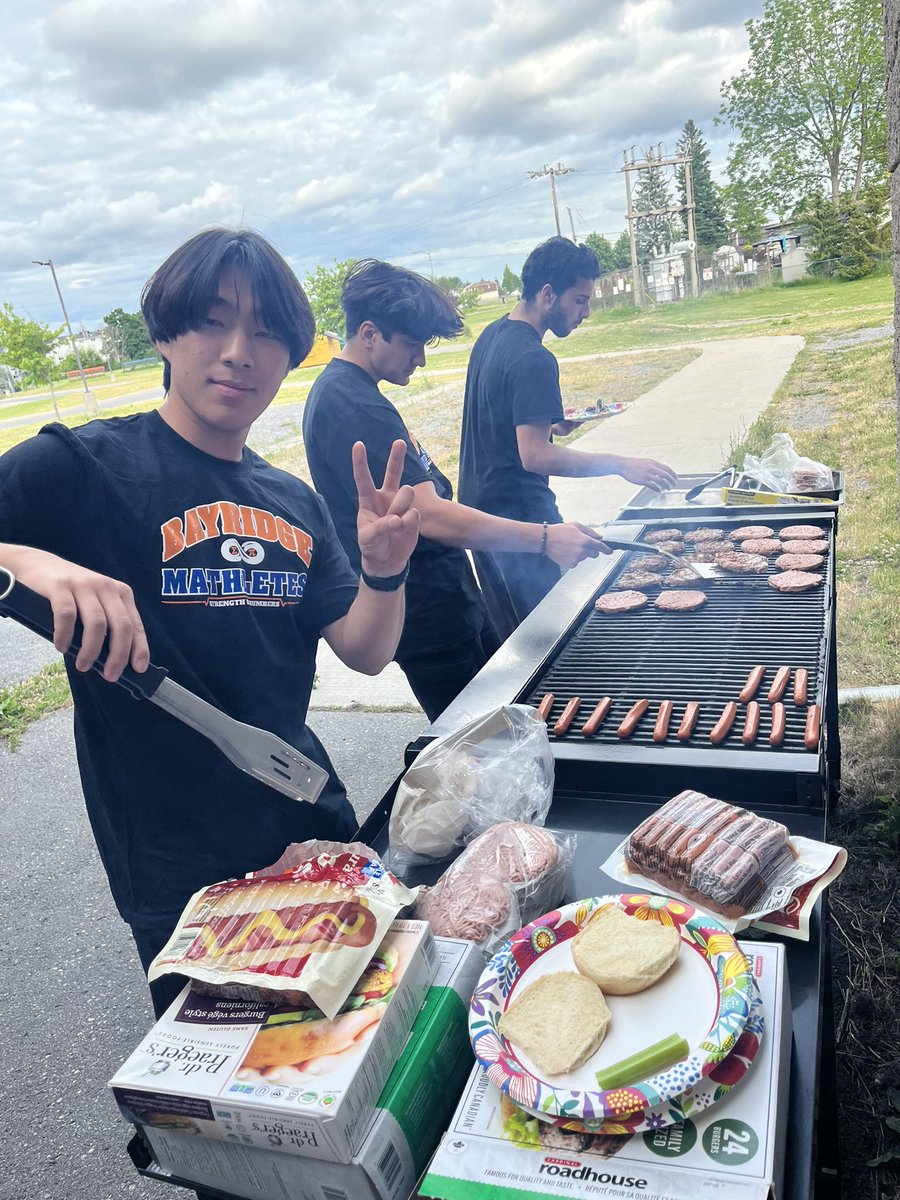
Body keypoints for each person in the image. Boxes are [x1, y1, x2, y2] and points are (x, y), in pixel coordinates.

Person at [0, 229, 420, 1022]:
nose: (238, 352)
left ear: (291, 354)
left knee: (339, 1050)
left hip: (307, 827)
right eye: (213, 321)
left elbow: (367, 650)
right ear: (164, 331)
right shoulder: (82, 467)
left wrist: (386, 567)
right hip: (176, 868)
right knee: (226, 1095)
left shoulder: (290, 500)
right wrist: (36, 564)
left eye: (266, 331)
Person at [302, 258, 608, 721]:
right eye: (411, 344)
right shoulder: (354, 405)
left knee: (503, 722)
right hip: (432, 618)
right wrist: (546, 537)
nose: (420, 359)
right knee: (481, 747)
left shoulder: (349, 393)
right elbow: (432, 515)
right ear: (368, 333)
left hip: (445, 603)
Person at [457, 236, 679, 640]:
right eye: (579, 300)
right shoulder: (534, 358)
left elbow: (500, 415)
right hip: (522, 521)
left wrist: (552, 423)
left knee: (517, 637)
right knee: (552, 638)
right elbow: (535, 457)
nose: (587, 312)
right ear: (547, 295)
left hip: (482, 519)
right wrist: (621, 464)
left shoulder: (492, 335)